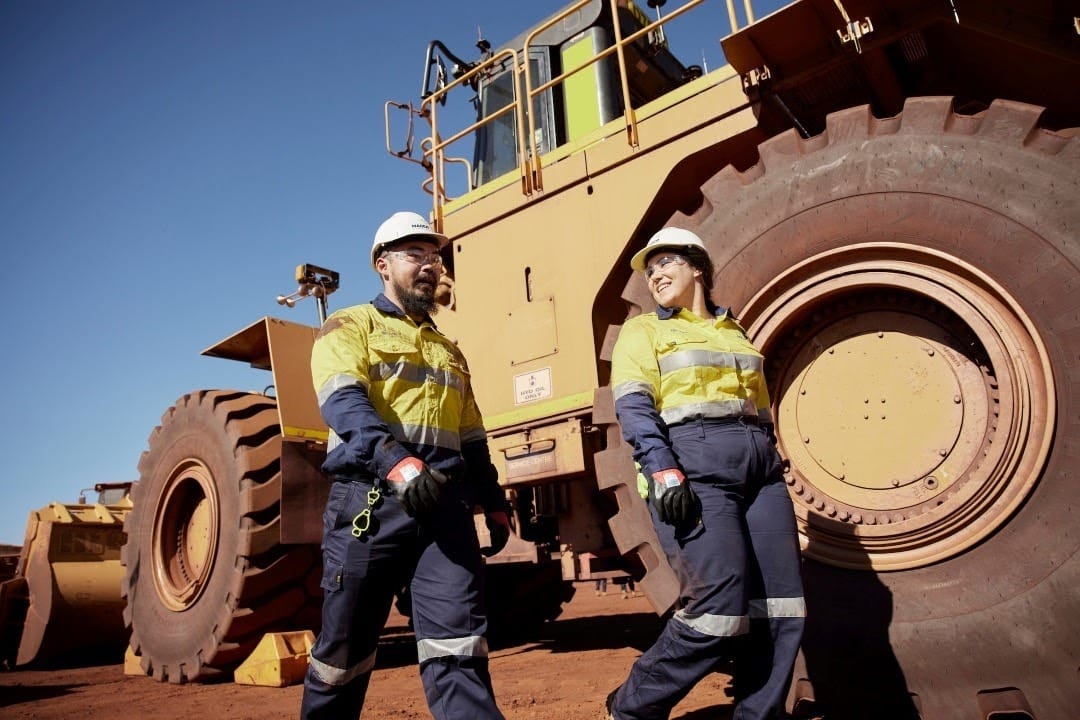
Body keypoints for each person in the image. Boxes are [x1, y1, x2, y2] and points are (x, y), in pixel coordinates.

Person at [300, 211, 512, 720]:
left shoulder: (448, 350)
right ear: (382, 264)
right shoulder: (349, 325)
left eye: (434, 256)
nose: (429, 265)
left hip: (444, 508)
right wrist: (396, 463)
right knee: (342, 659)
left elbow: (471, 435)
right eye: (414, 254)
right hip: (371, 504)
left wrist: (493, 500)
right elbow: (343, 403)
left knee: (459, 651)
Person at [605, 227, 805, 720]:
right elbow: (633, 407)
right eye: (650, 270)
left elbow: (759, 404)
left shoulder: (733, 331)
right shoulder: (643, 331)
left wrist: (769, 453)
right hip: (691, 463)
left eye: (665, 262)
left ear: (698, 267)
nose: (655, 274)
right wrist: (662, 468)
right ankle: (632, 708)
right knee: (719, 608)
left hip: (758, 465)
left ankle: (759, 713)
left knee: (781, 604)